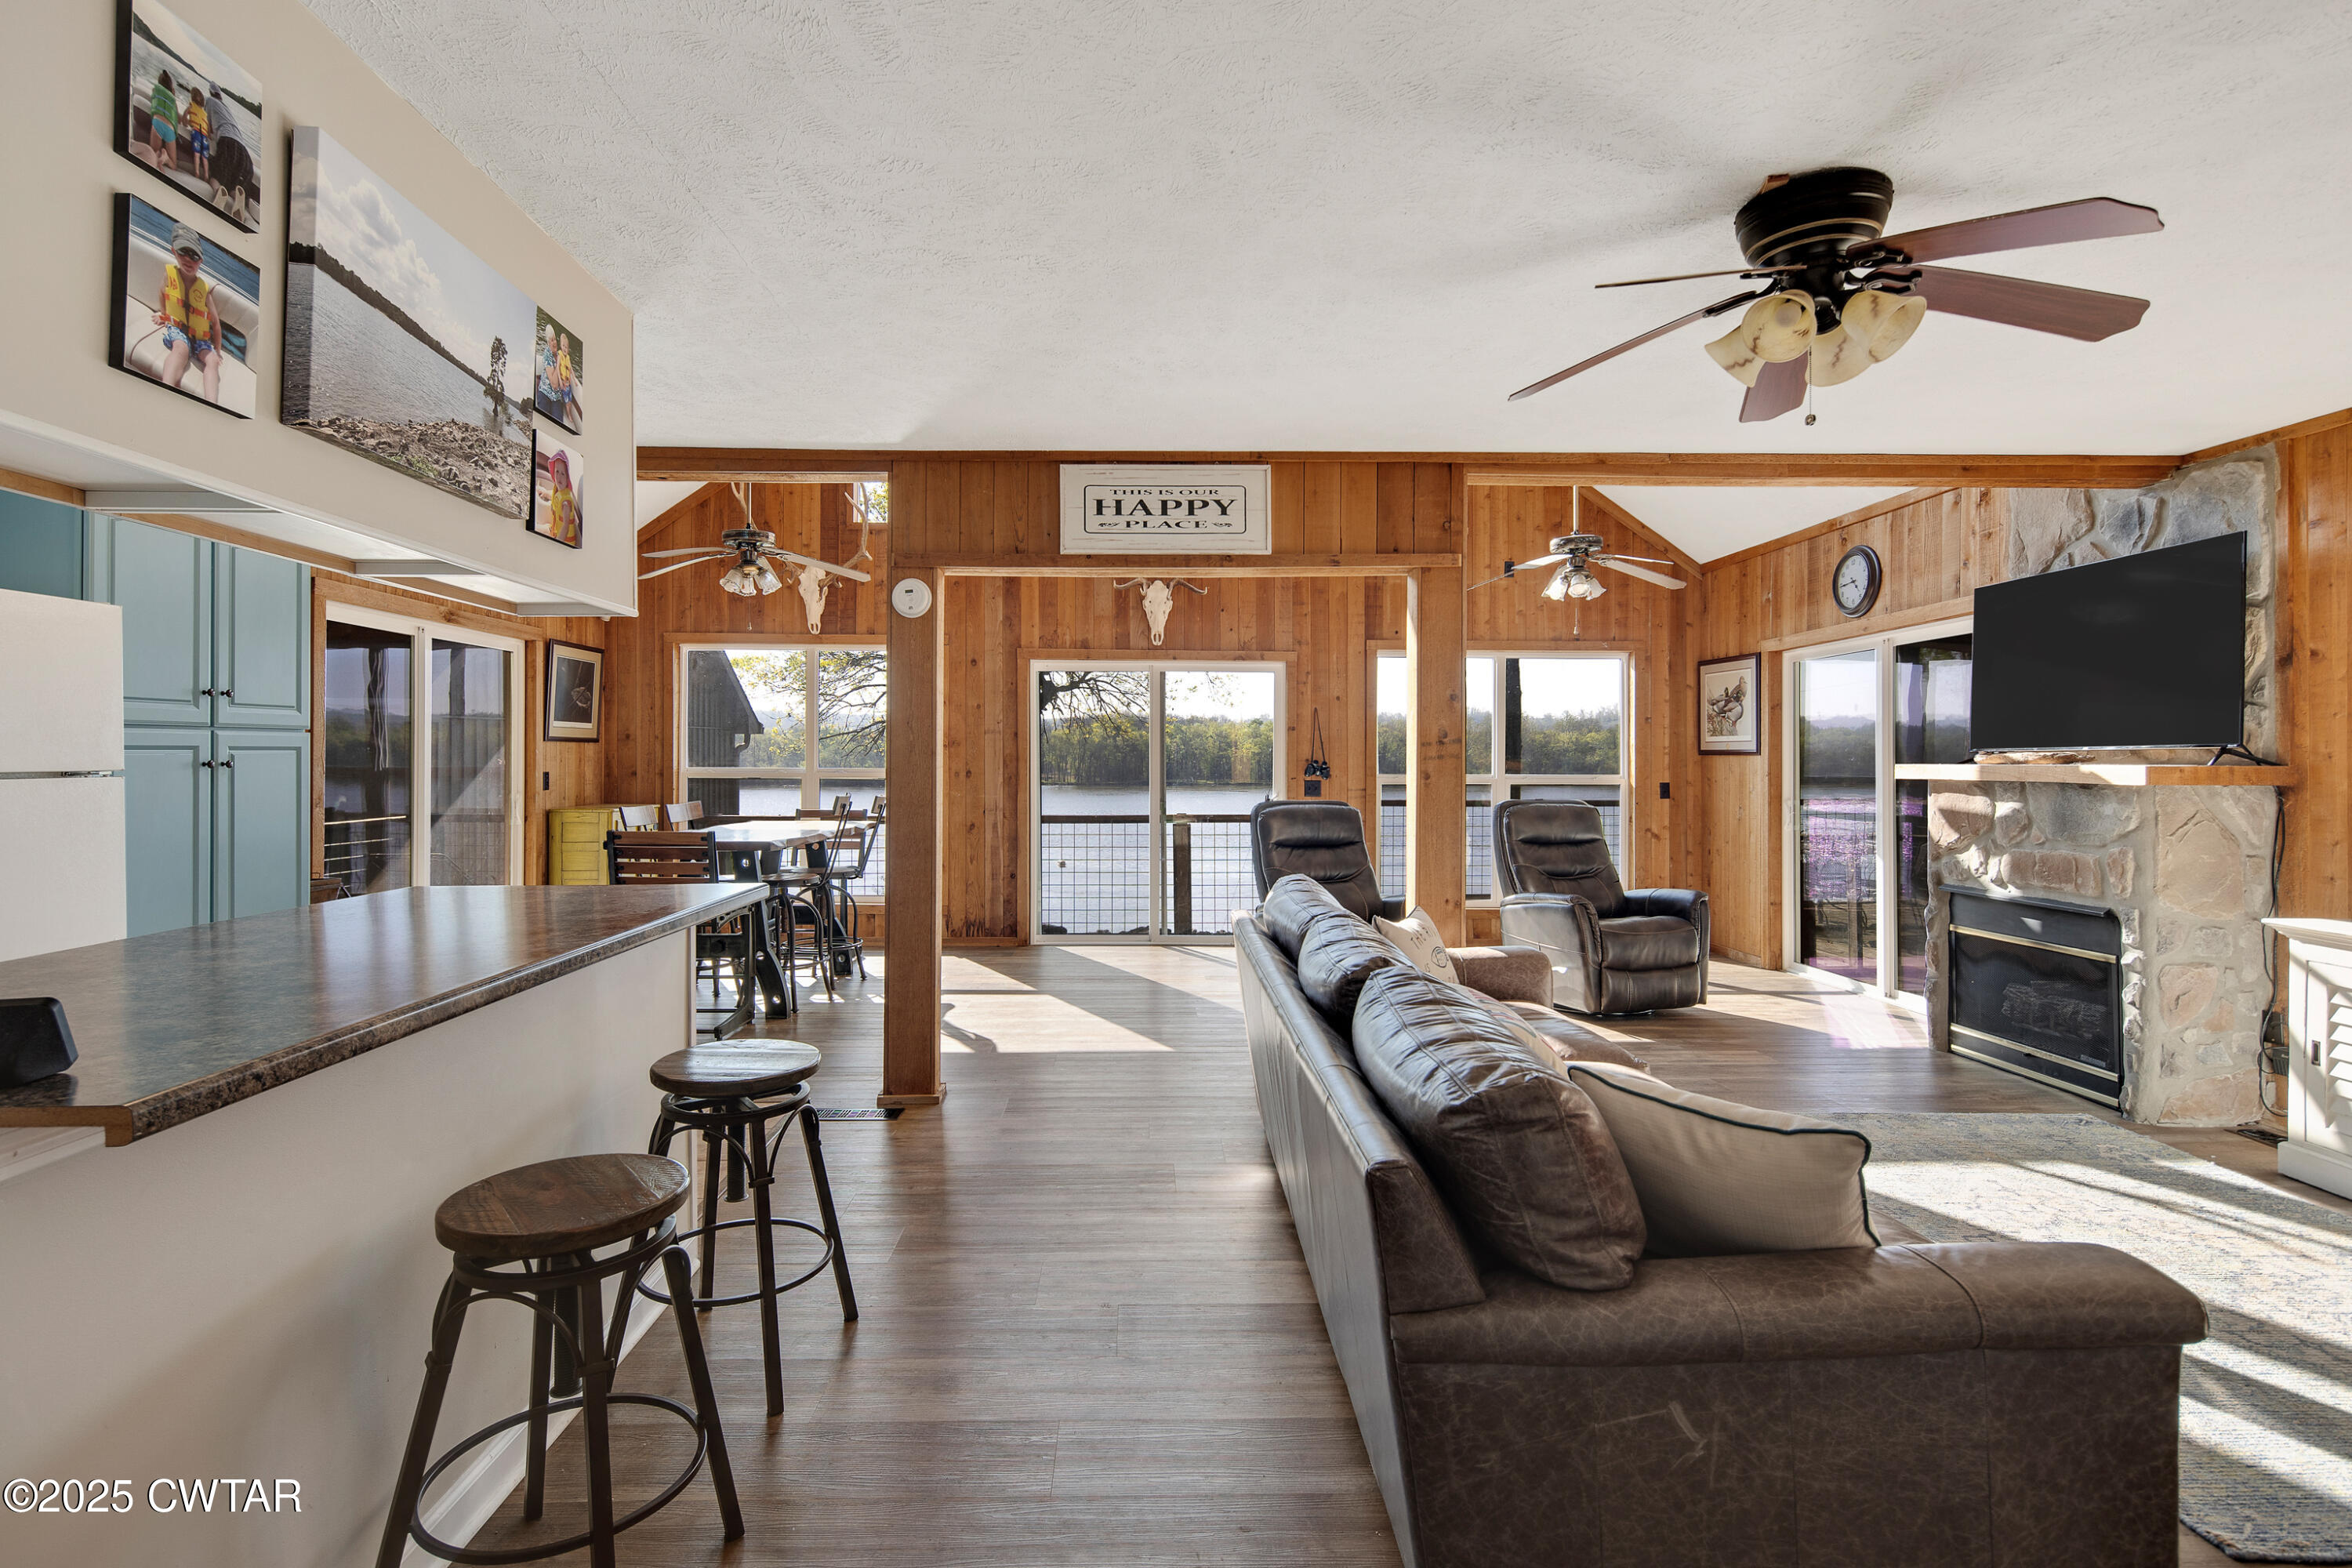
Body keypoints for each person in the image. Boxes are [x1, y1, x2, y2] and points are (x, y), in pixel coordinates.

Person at [152, 222, 223, 405]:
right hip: (177, 329)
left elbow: (215, 323)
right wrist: (164, 315)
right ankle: (165, 390)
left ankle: (211, 405)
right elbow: (163, 293)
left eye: (194, 255)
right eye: (183, 252)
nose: (188, 259)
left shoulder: (204, 290)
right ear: (174, 251)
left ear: (201, 261)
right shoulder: (169, 275)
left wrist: (219, 351)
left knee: (213, 361)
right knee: (181, 349)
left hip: (200, 339)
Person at [205, 87, 254, 223]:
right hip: (244, 151)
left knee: (216, 177)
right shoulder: (228, 109)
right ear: (221, 96)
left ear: (211, 93)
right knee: (234, 184)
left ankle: (218, 190)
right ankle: (237, 197)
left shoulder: (209, 101)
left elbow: (207, 126)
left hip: (227, 142)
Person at [545, 450, 580, 546]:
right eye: (557, 472)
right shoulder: (558, 489)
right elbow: (555, 498)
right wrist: (545, 492)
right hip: (556, 530)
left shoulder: (566, 503)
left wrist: (557, 543)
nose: (559, 477)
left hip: (564, 540)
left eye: (563, 474)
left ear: (567, 477)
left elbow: (565, 527)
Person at [147, 71, 177, 169]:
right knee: (174, 165)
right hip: (170, 128)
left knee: (152, 153)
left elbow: (154, 101)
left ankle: (158, 154)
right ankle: (167, 159)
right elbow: (179, 120)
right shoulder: (173, 101)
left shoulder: (155, 91)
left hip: (157, 122)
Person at [183, 86, 210, 185]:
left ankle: (197, 172)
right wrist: (209, 137)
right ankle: (206, 175)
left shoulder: (191, 107)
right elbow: (208, 127)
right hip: (204, 136)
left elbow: (185, 118)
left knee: (197, 155)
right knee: (205, 158)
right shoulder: (204, 113)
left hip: (197, 133)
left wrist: (185, 124)